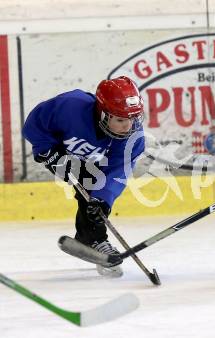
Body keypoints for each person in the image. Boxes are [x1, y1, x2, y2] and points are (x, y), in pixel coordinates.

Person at [22, 76, 145, 277]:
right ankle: (93, 238)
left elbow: (117, 171)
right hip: (57, 148)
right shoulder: (70, 107)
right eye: (121, 120)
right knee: (85, 179)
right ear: (103, 114)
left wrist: (103, 200)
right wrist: (46, 150)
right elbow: (33, 125)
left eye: (133, 119)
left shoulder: (133, 138)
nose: (128, 126)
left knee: (94, 197)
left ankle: (92, 239)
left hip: (94, 161)